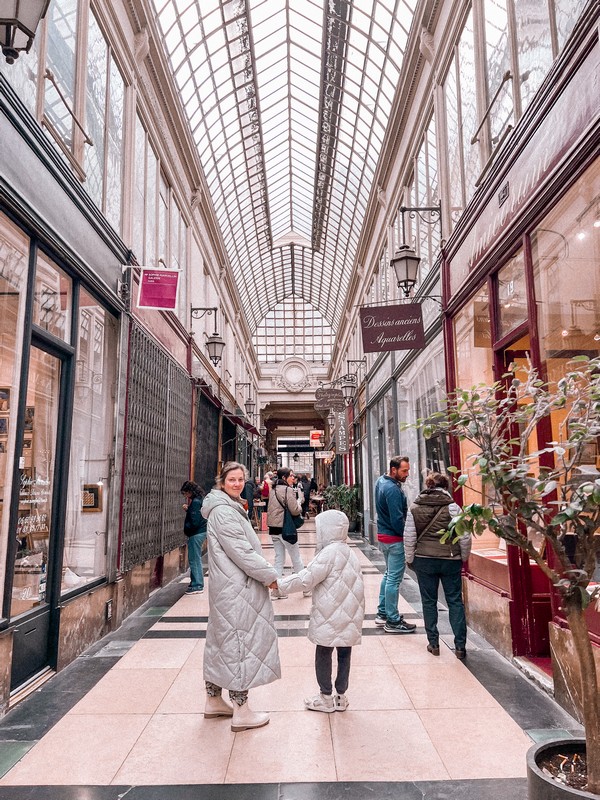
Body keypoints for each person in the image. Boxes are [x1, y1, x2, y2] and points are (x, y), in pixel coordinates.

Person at [200, 461, 281, 731]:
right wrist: (269, 575)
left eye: (240, 480)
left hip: (229, 587)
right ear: (221, 482)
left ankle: (214, 700)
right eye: (231, 480)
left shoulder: (228, 507)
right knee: (238, 644)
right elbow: (242, 553)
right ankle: (241, 710)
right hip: (236, 589)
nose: (236, 484)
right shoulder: (224, 512)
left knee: (221, 641)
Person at [278, 509, 364, 712]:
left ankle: (325, 697)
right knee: (345, 653)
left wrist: (280, 585)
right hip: (349, 615)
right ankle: (341, 696)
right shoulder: (349, 552)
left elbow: (306, 578)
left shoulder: (328, 554)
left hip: (329, 615)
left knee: (323, 652)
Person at [404, 472, 471, 659]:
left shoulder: (415, 507)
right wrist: (462, 557)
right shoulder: (453, 508)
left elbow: (409, 537)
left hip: (424, 560)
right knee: (455, 601)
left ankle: (433, 643)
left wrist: (410, 559)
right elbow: (465, 537)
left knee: (428, 601)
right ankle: (460, 647)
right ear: (446, 487)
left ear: (429, 486)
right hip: (450, 559)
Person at [375, 456, 417, 634]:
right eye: (404, 471)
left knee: (388, 575)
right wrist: (407, 537)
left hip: (384, 536)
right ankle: (392, 620)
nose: (407, 474)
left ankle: (383, 612)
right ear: (394, 470)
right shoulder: (392, 489)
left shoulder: (381, 481)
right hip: (394, 539)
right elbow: (397, 519)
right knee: (394, 578)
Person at [266, 467, 307, 599]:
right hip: (286, 530)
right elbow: (295, 510)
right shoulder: (288, 490)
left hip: (273, 529)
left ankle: (277, 591)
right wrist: (299, 503)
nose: (293, 478)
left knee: (279, 559)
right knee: (296, 559)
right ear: (284, 478)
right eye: (291, 476)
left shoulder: (273, 489)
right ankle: (306, 588)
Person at [180, 480, 207, 595]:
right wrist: (189, 510)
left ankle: (197, 585)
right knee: (195, 558)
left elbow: (195, 521)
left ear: (190, 491)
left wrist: (188, 530)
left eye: (186, 493)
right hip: (201, 531)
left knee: (194, 559)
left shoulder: (195, 502)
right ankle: (195, 583)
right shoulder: (200, 499)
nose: (185, 496)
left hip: (196, 533)